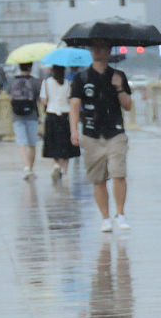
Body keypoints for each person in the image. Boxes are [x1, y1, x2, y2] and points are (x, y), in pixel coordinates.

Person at [68, 40, 132, 232]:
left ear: (109, 50)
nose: (97, 51)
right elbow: (74, 106)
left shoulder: (118, 75)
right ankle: (105, 218)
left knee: (118, 173)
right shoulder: (82, 78)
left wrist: (119, 88)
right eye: (94, 47)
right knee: (98, 179)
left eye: (102, 47)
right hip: (91, 133)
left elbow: (128, 105)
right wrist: (74, 130)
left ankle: (120, 214)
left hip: (115, 131)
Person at [41, 64, 79, 179]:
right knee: (66, 144)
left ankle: (56, 164)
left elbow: (44, 101)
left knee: (53, 142)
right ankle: (64, 170)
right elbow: (70, 100)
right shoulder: (68, 83)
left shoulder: (46, 83)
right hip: (65, 116)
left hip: (52, 115)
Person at [7, 62, 42, 179]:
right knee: (32, 144)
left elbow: (9, 96)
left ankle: (26, 168)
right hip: (32, 115)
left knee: (22, 143)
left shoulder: (12, 81)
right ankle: (30, 169)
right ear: (31, 68)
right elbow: (39, 98)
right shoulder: (35, 82)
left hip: (17, 116)